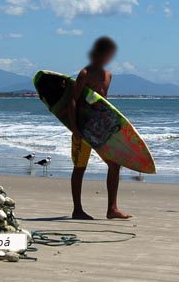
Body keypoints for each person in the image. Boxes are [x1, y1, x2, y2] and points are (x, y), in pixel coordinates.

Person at [68, 36, 131, 220]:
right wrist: (75, 129)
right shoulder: (85, 73)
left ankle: (112, 209)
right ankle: (77, 210)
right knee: (80, 167)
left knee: (114, 164)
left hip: (101, 129)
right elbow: (73, 101)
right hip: (83, 127)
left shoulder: (109, 76)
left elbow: (104, 105)